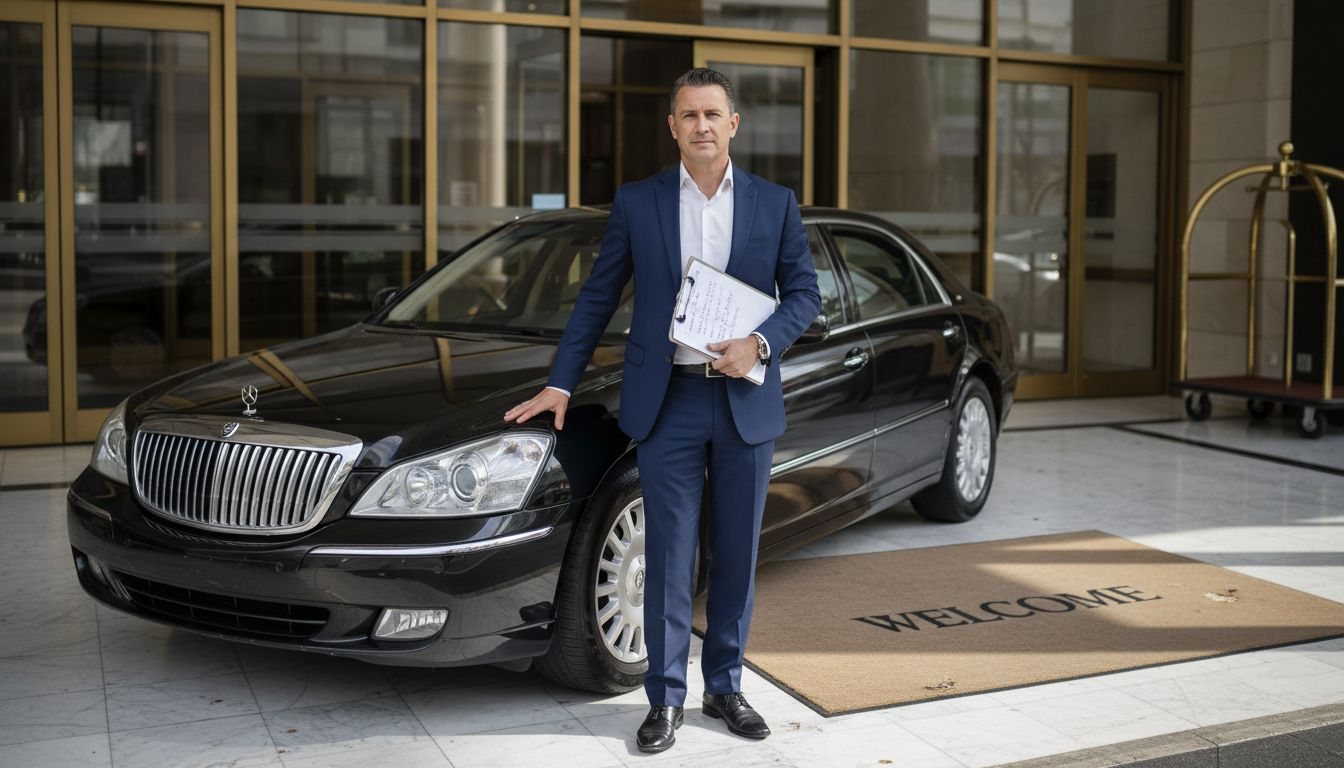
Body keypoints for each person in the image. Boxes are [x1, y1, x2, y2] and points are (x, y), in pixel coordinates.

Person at [503, 67, 820, 754]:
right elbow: (595, 299)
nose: (701, 125)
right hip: (668, 401)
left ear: (734, 124)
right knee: (669, 557)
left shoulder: (774, 203)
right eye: (688, 115)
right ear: (672, 127)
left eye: (713, 113)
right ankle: (666, 698)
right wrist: (560, 382)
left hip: (744, 400)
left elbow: (805, 294)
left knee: (735, 556)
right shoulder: (639, 203)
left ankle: (727, 687)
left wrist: (759, 342)